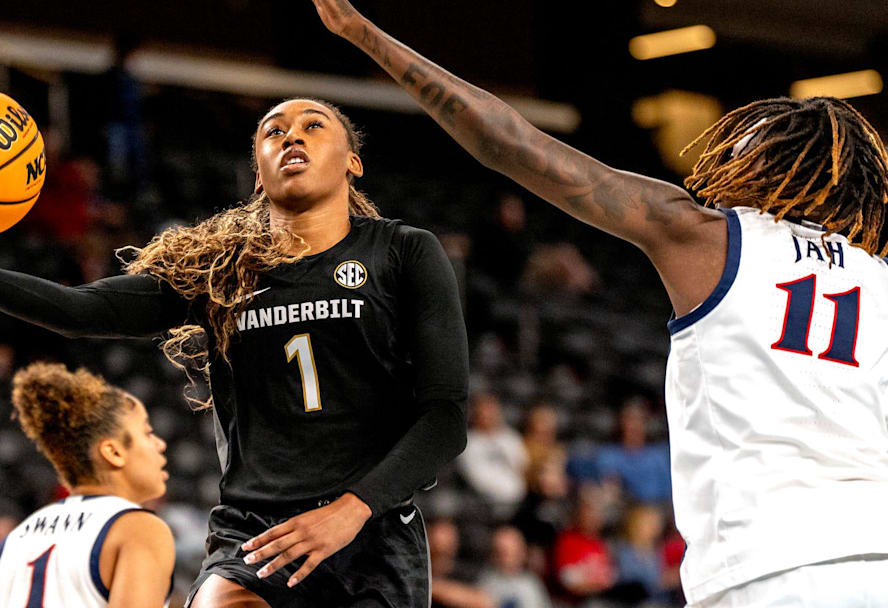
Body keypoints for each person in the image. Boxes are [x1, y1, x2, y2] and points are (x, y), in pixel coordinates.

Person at [310, 1, 888, 606]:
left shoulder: (710, 238)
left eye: (748, 143)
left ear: (775, 164)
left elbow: (510, 141)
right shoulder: (877, 280)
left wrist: (364, 34)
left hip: (771, 564)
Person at [0, 95, 469, 606]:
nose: (291, 135)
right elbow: (83, 310)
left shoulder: (404, 253)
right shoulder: (221, 270)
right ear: (259, 175)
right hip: (257, 529)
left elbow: (444, 417)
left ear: (353, 162)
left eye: (313, 126)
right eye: (273, 131)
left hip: (372, 532)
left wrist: (352, 509)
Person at [0, 362, 175, 608]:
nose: (160, 444)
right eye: (147, 433)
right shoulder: (139, 529)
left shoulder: (10, 543)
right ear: (113, 451)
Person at [595, 399, 670, 504]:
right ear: (621, 424)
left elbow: (668, 491)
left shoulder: (658, 456)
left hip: (659, 509)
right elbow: (611, 488)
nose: (635, 426)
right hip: (626, 509)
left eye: (639, 420)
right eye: (630, 420)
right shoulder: (609, 455)